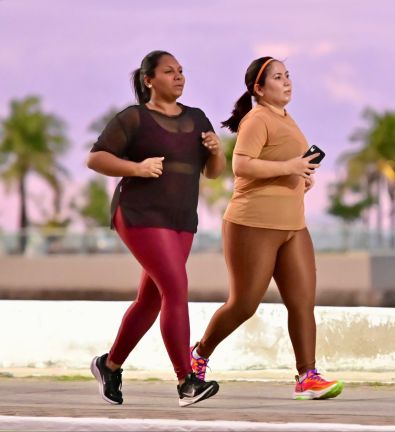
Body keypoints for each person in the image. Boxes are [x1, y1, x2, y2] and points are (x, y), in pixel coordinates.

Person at [190, 56, 343, 400]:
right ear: (259, 88)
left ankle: (307, 376)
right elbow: (240, 164)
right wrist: (289, 165)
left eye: (288, 75)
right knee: (244, 304)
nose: (287, 81)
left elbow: (277, 165)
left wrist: (300, 176)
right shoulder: (257, 118)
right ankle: (198, 355)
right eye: (277, 77)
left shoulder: (286, 118)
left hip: (293, 225)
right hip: (253, 223)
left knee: (302, 301)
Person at [87, 50, 223, 407]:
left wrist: (216, 151)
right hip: (139, 213)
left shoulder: (197, 118)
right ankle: (186, 382)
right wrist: (137, 168)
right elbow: (96, 157)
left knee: (151, 299)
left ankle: (110, 364)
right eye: (169, 71)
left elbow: (213, 172)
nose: (179, 76)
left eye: (181, 71)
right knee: (176, 288)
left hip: (180, 219)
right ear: (149, 80)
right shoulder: (134, 118)